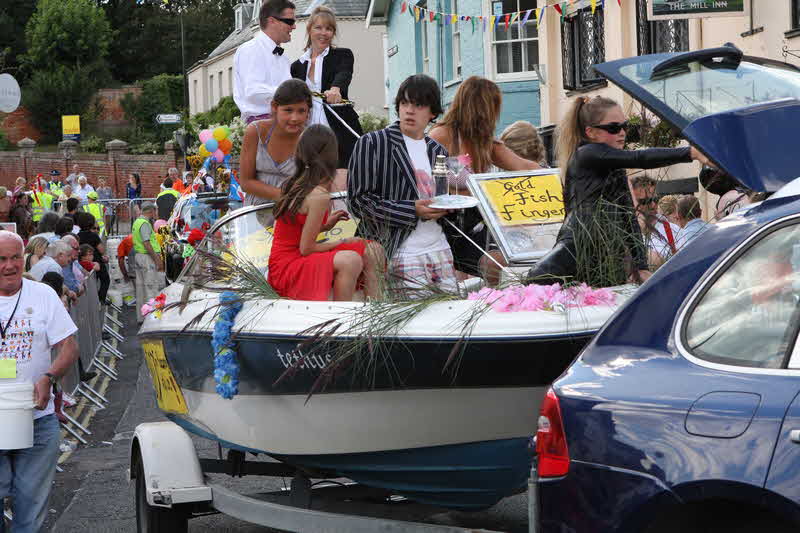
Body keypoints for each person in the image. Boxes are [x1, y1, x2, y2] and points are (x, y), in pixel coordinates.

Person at [525, 96, 709, 287]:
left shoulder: (615, 165)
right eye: (613, 128)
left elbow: (628, 216)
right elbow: (638, 157)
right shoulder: (586, 154)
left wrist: (641, 266)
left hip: (603, 252)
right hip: (576, 246)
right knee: (537, 281)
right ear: (590, 132)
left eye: (625, 126)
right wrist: (691, 153)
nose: (622, 133)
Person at [0, 231, 78, 533]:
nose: (9, 266)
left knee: (30, 508)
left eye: (15, 258)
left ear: (24, 258)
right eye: (1, 259)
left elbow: (69, 346)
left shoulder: (42, 294)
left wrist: (49, 377)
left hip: (37, 419)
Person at [348, 74, 456, 293]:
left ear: (432, 112)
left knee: (450, 311)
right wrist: (411, 210)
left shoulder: (438, 151)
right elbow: (358, 202)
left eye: (418, 105)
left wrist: (450, 207)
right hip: (399, 249)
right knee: (412, 315)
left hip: (440, 247)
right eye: (405, 103)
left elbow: (441, 198)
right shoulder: (373, 143)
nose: (409, 110)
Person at [429, 77, 540, 286]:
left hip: (477, 222)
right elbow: (427, 184)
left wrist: (555, 180)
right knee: (496, 263)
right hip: (447, 224)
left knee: (503, 260)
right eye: (493, 107)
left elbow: (524, 165)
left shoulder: (485, 143)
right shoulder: (440, 136)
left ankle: (495, 299)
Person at [269, 125, 382, 301]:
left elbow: (295, 230)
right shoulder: (319, 194)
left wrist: (325, 227)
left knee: (374, 250)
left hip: (285, 259)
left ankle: (374, 308)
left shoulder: (295, 183)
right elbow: (306, 249)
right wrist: (344, 241)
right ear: (332, 155)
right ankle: (341, 314)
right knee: (351, 260)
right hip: (288, 265)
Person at [290, 6, 363, 169]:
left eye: (329, 29)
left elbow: (344, 73)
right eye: (318, 27)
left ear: (333, 32)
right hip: (308, 134)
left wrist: (336, 89)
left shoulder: (343, 55)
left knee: (344, 178)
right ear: (309, 30)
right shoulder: (296, 66)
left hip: (340, 133)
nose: (324, 33)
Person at [239, 79, 312, 208]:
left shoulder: (310, 139)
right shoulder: (255, 131)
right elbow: (246, 182)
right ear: (274, 107)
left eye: (301, 111)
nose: (294, 118)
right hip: (255, 213)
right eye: (288, 110)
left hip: (293, 212)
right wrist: (285, 196)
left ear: (308, 112)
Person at [233, 0, 296, 124]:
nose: (294, 26)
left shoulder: (284, 59)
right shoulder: (250, 49)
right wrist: (290, 92)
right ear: (272, 21)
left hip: (284, 124)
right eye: (290, 21)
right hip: (260, 125)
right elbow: (253, 91)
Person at [631, 176, 680, 269]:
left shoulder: (673, 230)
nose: (653, 205)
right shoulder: (625, 234)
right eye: (646, 201)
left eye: (655, 199)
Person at [132, 203, 165, 324]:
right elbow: (147, 243)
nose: (156, 213)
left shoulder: (137, 222)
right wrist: (157, 259)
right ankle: (154, 319)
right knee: (151, 287)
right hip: (147, 258)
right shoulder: (145, 224)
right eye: (155, 211)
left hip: (139, 256)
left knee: (141, 289)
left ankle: (142, 317)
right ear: (151, 211)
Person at [76, 212, 110, 303]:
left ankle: (93, 300)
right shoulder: (93, 235)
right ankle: (101, 299)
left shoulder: (77, 236)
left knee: (91, 283)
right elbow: (101, 250)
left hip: (82, 262)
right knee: (105, 280)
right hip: (96, 261)